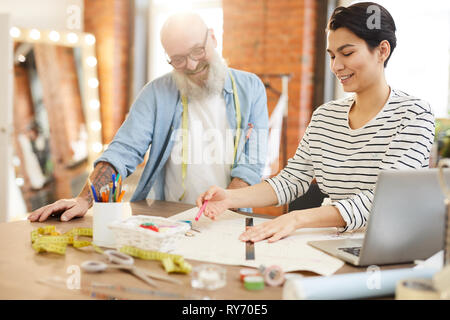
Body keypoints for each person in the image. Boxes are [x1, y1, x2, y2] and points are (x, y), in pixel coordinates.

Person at [196, 2, 435, 243]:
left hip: (387, 246)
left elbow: (386, 200)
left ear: (382, 51)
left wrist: (297, 218)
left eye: (347, 53)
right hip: (330, 240)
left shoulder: (414, 115)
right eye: (332, 55)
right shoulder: (325, 116)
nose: (336, 66)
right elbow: (292, 180)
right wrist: (229, 197)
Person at [28, 13, 268, 222]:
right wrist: (84, 199)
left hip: (230, 216)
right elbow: (124, 151)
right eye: (178, 59)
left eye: (197, 50)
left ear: (213, 38)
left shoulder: (250, 88)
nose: (192, 64)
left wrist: (225, 205)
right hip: (170, 219)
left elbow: (251, 163)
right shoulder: (156, 93)